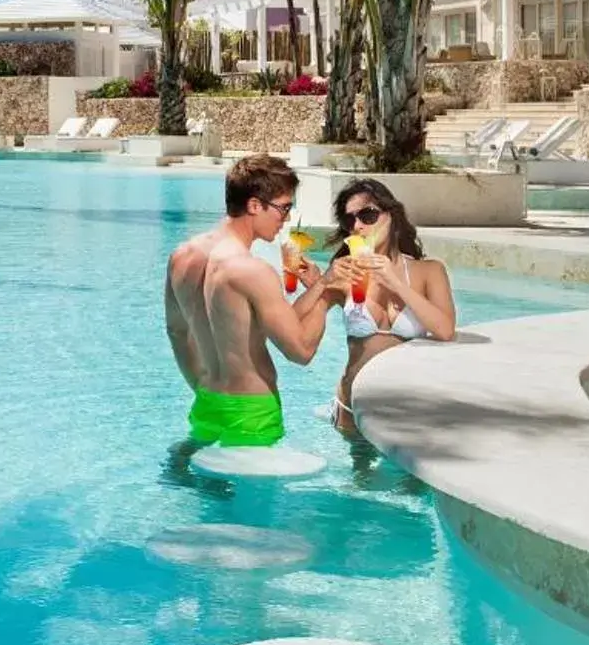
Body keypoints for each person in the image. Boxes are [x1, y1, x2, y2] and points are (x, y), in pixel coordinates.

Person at [165, 155, 357, 448]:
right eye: (283, 208)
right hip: (252, 412)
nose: (287, 219)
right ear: (255, 205)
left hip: (207, 403)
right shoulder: (253, 271)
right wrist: (329, 295)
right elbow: (301, 351)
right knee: (252, 495)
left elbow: (178, 332)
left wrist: (319, 285)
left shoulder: (182, 256)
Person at [328, 180, 457, 437]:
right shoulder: (346, 271)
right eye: (349, 220)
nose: (358, 227)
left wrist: (396, 283)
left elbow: (445, 330)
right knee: (357, 477)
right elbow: (303, 325)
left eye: (368, 215)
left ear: (391, 215)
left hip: (406, 406)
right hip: (351, 404)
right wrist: (317, 283)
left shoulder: (429, 271)